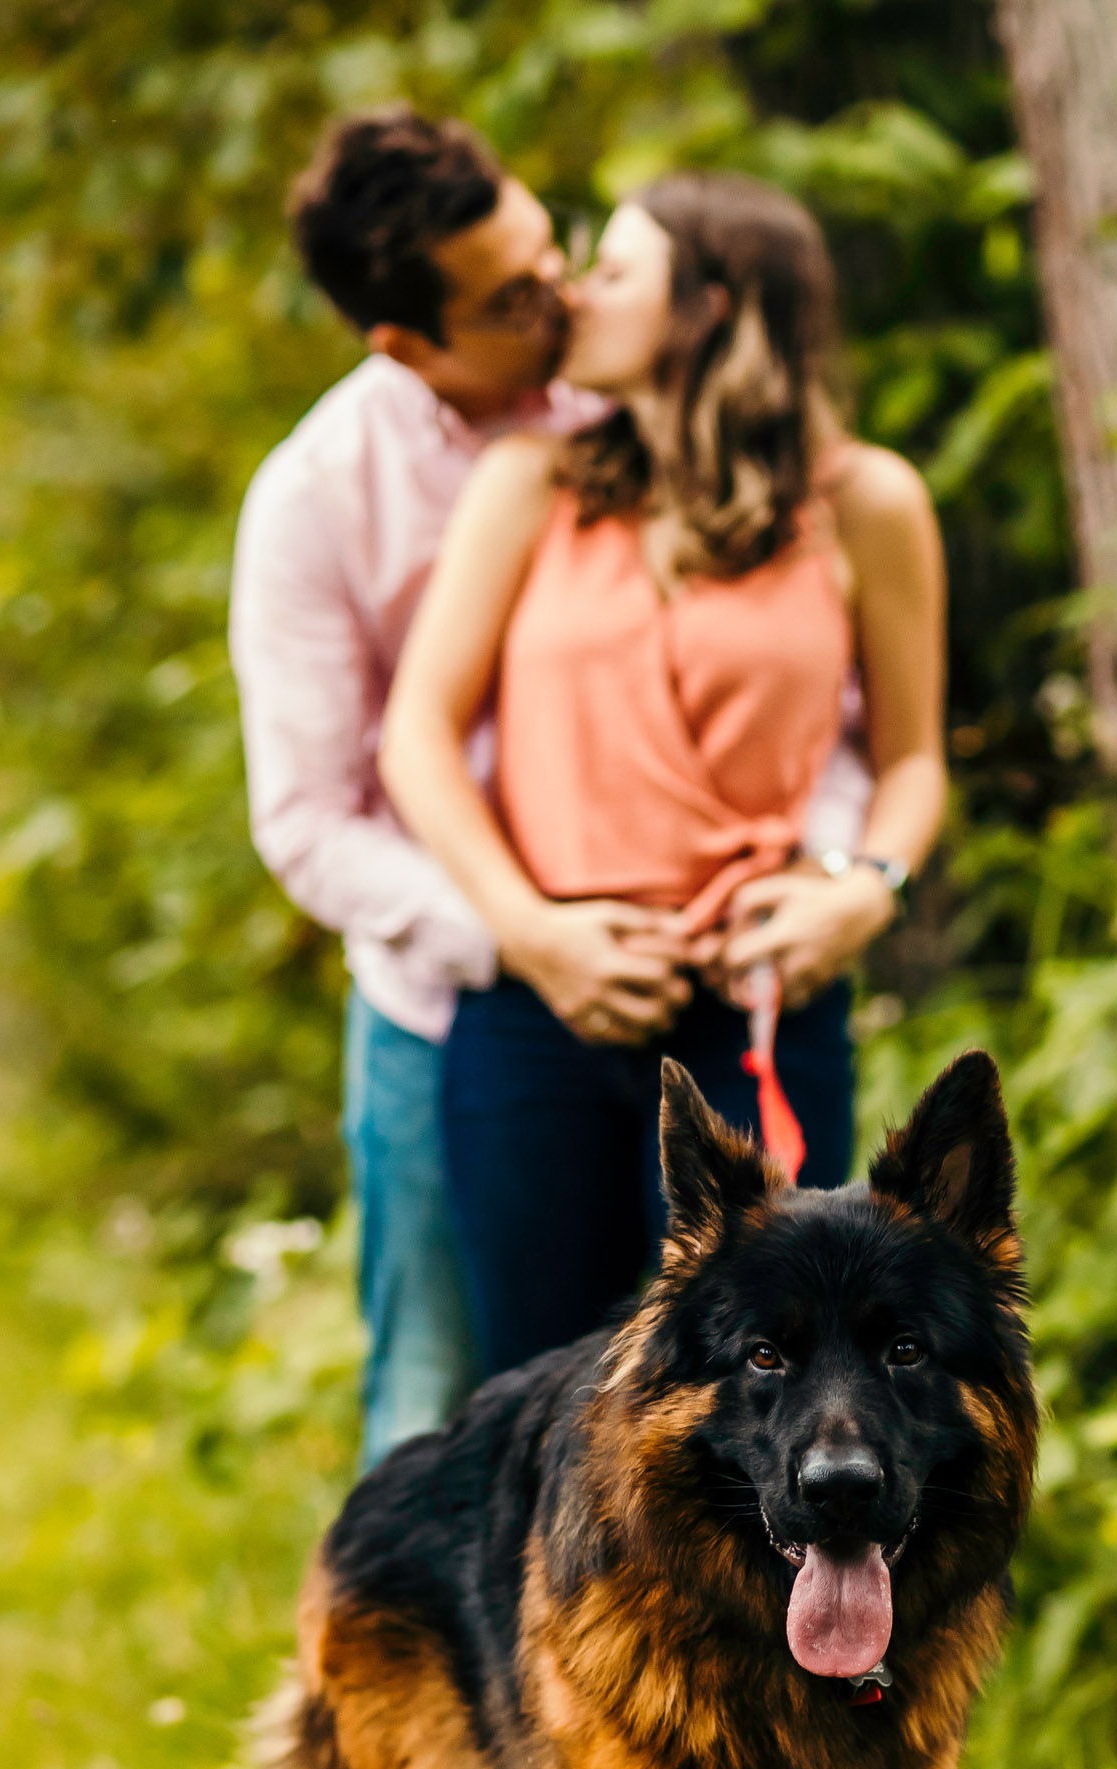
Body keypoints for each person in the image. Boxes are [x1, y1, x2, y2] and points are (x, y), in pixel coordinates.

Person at [230, 113, 872, 1468]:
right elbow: (307, 821)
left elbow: (823, 700)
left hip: (708, 988)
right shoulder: (317, 502)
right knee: (446, 1403)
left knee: (736, 1401)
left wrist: (829, 872)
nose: (561, 297)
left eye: (555, 254)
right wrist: (528, 933)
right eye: (512, 299)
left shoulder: (646, 393)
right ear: (406, 343)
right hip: (455, 1000)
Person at [380, 172, 946, 1379]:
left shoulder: (865, 504)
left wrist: (863, 888)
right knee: (535, 1403)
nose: (575, 291)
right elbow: (416, 736)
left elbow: (909, 762)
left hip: (755, 1012)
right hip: (544, 1009)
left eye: (617, 271)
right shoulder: (530, 482)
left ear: (713, 304)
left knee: (771, 1396)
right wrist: (530, 932)